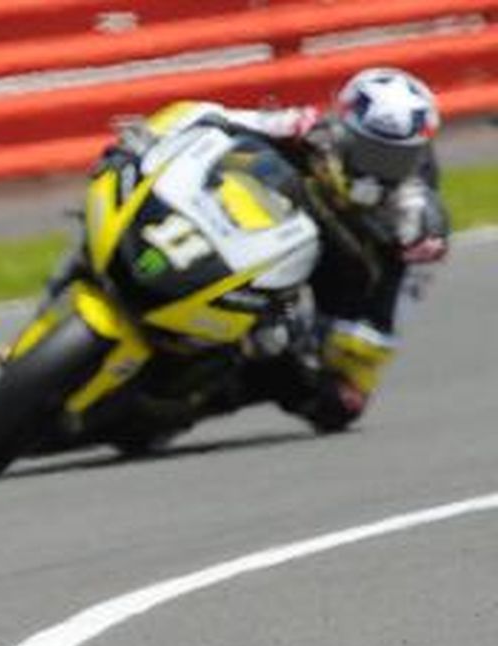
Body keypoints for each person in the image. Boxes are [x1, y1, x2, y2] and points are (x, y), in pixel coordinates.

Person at [109, 67, 448, 431]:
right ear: (344, 129)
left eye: (393, 159)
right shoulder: (309, 130)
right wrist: (153, 138)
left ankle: (189, 404)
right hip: (249, 232)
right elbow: (216, 117)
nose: (376, 167)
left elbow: (393, 310)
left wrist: (349, 345)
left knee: (340, 404)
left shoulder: (414, 221)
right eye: (369, 151)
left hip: (319, 295)